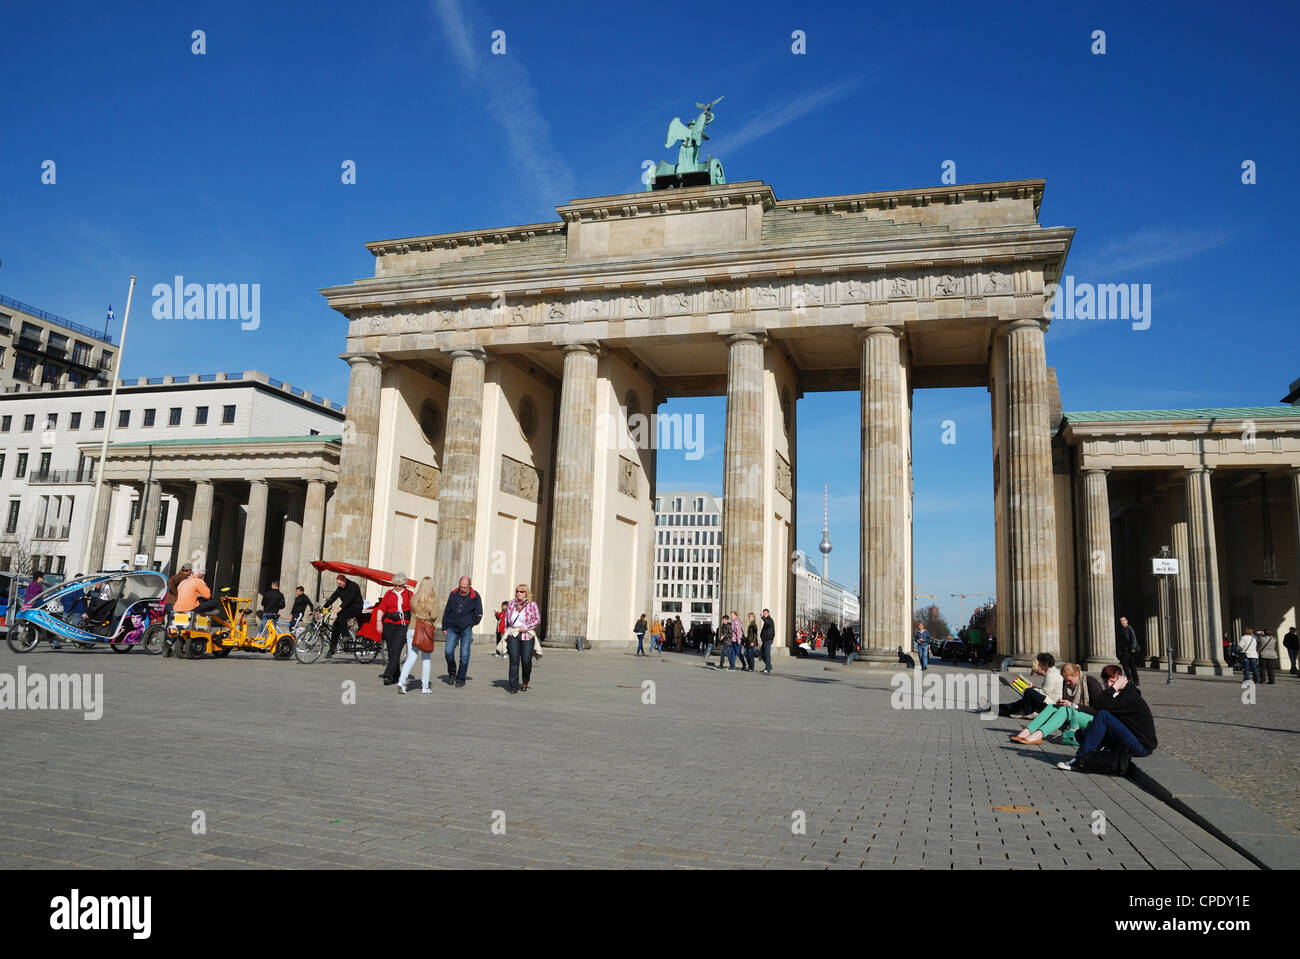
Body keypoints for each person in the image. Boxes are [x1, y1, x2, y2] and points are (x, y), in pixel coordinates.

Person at [1057, 665, 1157, 771]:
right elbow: (1100, 705)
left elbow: (1098, 704)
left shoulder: (1129, 696)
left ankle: (1080, 759)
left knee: (1103, 715)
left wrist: (1114, 688)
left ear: (1121, 680)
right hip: (1130, 739)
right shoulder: (1118, 695)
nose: (1109, 685)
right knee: (1081, 734)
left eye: (1113, 681)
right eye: (1106, 682)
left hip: (1141, 746)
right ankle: (1093, 755)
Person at [1010, 664, 1101, 745]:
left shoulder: (1090, 682)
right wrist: (1061, 702)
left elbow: (1098, 710)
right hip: (1075, 713)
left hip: (1092, 720)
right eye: (1066, 680)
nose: (1067, 683)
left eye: (1069, 680)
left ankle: (1038, 735)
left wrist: (1075, 706)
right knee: (1051, 707)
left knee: (1064, 710)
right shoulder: (1066, 683)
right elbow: (1067, 702)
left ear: (1077, 675)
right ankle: (1026, 732)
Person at [397, 577, 438, 695]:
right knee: (426, 658)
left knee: (411, 657)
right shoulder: (432, 599)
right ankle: (425, 687)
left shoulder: (414, 598)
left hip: (412, 629)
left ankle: (401, 681)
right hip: (424, 631)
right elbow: (434, 615)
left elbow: (411, 612)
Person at [442, 575, 482, 688]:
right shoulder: (453, 594)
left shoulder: (475, 596)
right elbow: (447, 610)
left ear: (469, 586)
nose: (462, 589)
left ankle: (460, 678)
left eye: (465, 587)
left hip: (466, 629)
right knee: (448, 652)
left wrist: (471, 623)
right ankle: (452, 673)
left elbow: (479, 613)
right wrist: (444, 627)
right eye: (461, 586)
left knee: (464, 655)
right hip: (452, 627)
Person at [996, 653, 1061, 718]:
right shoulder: (1053, 672)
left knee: (1028, 692)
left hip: (1050, 703)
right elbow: (1046, 692)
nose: (1039, 666)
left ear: (1045, 664)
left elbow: (1045, 692)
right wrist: (1033, 687)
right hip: (1048, 700)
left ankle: (1025, 712)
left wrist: (1032, 689)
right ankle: (999, 708)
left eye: (1040, 664)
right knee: (1021, 702)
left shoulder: (1051, 674)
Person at [504, 584, 541, 693]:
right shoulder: (511, 603)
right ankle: (513, 686)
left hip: (527, 635)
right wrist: (506, 633)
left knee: (526, 661)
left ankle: (525, 680)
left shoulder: (532, 605)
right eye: (517, 591)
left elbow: (537, 619)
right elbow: (507, 619)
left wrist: (526, 627)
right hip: (513, 634)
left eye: (521, 591)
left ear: (526, 593)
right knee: (514, 660)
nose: (519, 593)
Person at [378, 573, 413, 686]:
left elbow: (414, 610)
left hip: (402, 624)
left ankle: (388, 675)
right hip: (389, 624)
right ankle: (396, 675)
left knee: (396, 649)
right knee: (391, 651)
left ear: (404, 584)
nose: (397, 588)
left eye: (400, 585)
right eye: (395, 585)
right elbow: (382, 608)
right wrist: (379, 621)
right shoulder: (388, 593)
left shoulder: (409, 594)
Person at [321, 574, 364, 659]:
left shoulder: (353, 586)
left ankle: (346, 635)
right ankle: (332, 650)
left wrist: (340, 607)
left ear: (344, 580)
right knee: (335, 626)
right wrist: (324, 607)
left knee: (342, 616)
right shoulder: (340, 588)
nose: (339, 585)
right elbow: (333, 597)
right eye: (338, 584)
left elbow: (349, 599)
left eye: (340, 583)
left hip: (356, 607)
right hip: (346, 607)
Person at [1118, 616, 1142, 686]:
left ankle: (1131, 679)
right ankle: (1135, 680)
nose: (1121, 622)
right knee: (1131, 665)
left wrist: (1133, 648)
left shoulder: (1129, 628)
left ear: (1126, 621)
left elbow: (1134, 638)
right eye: (1121, 621)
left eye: (1123, 620)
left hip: (1129, 650)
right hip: (1124, 649)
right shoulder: (1122, 629)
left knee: (1125, 663)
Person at [759, 608, 775, 674]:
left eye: (765, 613)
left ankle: (768, 668)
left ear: (768, 613)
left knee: (767, 654)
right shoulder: (766, 620)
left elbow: (767, 623)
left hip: (768, 640)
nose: (764, 614)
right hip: (765, 640)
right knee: (762, 654)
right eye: (763, 613)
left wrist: (762, 617)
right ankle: (769, 666)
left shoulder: (769, 620)